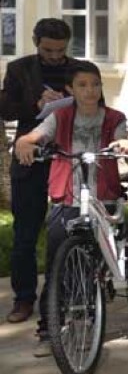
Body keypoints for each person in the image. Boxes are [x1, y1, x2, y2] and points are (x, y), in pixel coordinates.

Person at [13, 62, 128, 356]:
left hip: (102, 198)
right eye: (82, 85)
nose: (90, 90)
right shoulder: (60, 116)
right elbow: (31, 137)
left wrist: (124, 143)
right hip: (67, 199)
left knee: (93, 265)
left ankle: (89, 317)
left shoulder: (114, 117)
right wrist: (24, 144)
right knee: (58, 265)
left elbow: (122, 137)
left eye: (95, 84)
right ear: (70, 89)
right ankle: (49, 329)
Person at [1, 18, 78, 325]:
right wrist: (37, 105)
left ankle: (65, 293)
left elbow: (97, 102)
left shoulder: (80, 68)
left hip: (68, 154)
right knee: (25, 232)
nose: (55, 56)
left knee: (71, 229)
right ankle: (24, 298)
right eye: (48, 50)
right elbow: (5, 109)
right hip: (30, 155)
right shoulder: (20, 69)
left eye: (60, 50)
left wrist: (68, 104)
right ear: (36, 42)